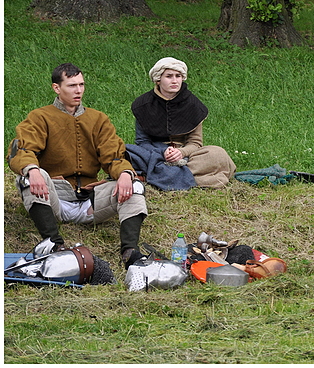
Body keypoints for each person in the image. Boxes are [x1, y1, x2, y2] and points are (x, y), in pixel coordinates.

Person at [7, 63, 148, 269]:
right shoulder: (40, 117)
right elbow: (22, 150)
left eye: (81, 84)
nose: (79, 90)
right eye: (72, 85)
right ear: (57, 88)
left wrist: (125, 173)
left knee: (135, 185)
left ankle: (130, 252)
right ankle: (55, 246)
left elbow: (114, 156)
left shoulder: (98, 119)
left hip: (90, 202)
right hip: (53, 198)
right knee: (27, 177)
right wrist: (32, 169)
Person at [130, 57, 236, 189]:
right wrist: (163, 152)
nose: (174, 80)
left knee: (217, 154)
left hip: (187, 158)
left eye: (178, 76)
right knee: (126, 152)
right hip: (154, 154)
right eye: (169, 76)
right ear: (158, 80)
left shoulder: (193, 105)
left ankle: (158, 176)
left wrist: (181, 153)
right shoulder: (143, 105)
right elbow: (142, 142)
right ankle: (182, 176)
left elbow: (196, 143)